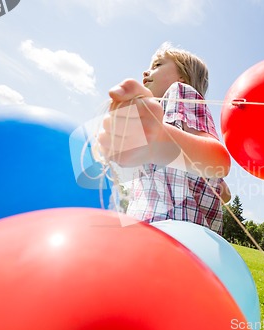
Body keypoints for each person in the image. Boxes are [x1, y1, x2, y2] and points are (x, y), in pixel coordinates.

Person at [97, 42, 231, 234]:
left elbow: (219, 161)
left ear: (183, 77)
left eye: (158, 65)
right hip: (146, 226)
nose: (145, 72)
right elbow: (224, 193)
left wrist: (159, 140)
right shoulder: (156, 117)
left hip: (178, 231)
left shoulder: (181, 93)